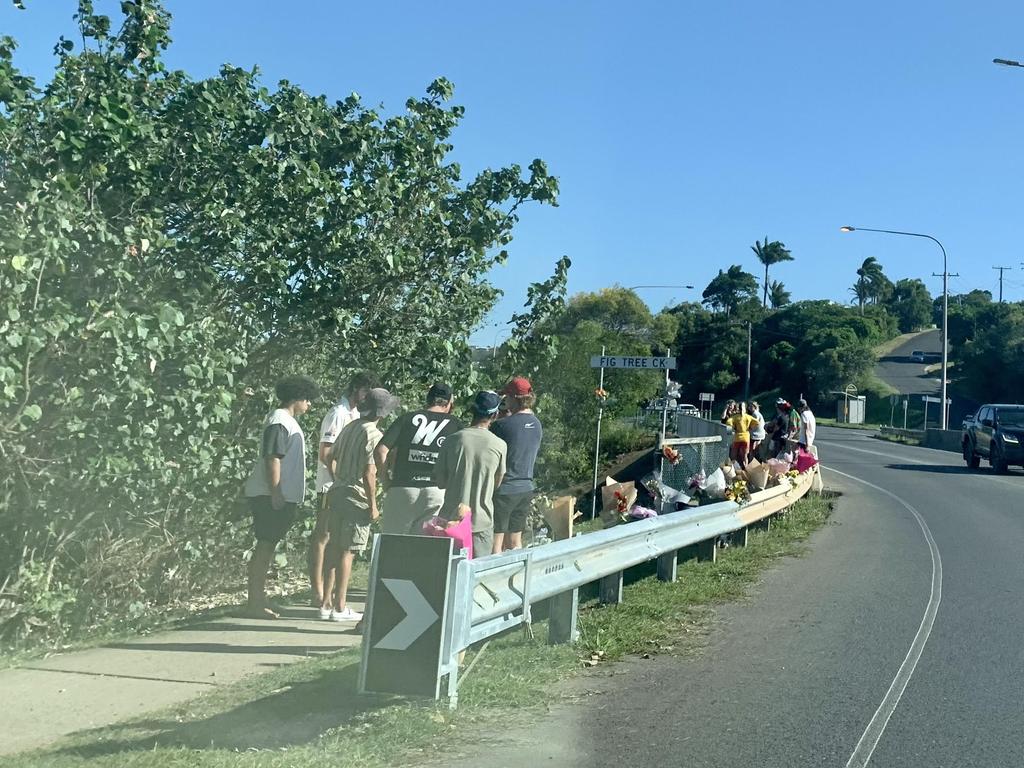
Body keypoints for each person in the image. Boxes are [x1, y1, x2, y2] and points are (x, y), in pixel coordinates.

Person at [242, 375, 320, 619]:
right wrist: (276, 491)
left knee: (269, 545)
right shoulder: (279, 421)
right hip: (269, 494)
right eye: (307, 399)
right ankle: (254, 602)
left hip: (281, 495)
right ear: (296, 398)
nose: (309, 404)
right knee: (264, 546)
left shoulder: (288, 421)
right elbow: (272, 457)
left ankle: (261, 597)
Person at [322, 387, 398, 622]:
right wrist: (373, 504)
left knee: (333, 547)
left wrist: (338, 479)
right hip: (356, 496)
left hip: (337, 492)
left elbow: (329, 456)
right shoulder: (374, 435)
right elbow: (369, 472)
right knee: (348, 551)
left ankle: (325, 603)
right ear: (382, 413)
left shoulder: (350, 427)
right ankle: (340, 606)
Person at [310, 371, 379, 609]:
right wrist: (340, 479)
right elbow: (326, 453)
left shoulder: (356, 415)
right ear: (357, 389)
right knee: (324, 536)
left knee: (334, 539)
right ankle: (318, 591)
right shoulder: (338, 413)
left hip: (341, 485)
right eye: (365, 392)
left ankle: (326, 595)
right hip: (331, 484)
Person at [375, 382, 463, 535]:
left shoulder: (407, 419)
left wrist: (385, 480)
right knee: (422, 549)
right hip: (436, 491)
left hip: (402, 488)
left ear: (428, 400)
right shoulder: (455, 424)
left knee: (392, 545)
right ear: (448, 403)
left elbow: (381, 450)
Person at [434, 391, 507, 558]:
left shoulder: (452, 440)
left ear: (472, 410)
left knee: (447, 575)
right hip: (481, 522)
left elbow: (440, 481)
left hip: (450, 522)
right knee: (478, 578)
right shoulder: (500, 445)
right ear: (495, 415)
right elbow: (497, 482)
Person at [490, 377, 543, 553]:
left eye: (507, 397)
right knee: (515, 542)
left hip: (504, 488)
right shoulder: (537, 424)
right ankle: (517, 578)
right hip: (526, 488)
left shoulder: (501, 426)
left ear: (514, 398)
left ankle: (492, 579)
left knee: (495, 542)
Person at [721, 400, 757, 467]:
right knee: (745, 455)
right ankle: (745, 469)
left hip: (737, 437)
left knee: (733, 454)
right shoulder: (748, 417)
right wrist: (750, 428)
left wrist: (734, 427)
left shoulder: (735, 416)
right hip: (746, 437)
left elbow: (728, 422)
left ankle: (731, 468)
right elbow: (757, 422)